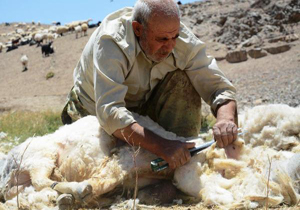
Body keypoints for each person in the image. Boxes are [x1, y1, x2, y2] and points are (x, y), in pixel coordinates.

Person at [61, 0, 238, 171]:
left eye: (174, 37)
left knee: (183, 79)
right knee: (101, 170)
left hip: (143, 113)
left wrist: (226, 120)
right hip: (92, 113)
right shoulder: (112, 41)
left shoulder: (181, 40)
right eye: (162, 39)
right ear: (138, 29)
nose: (169, 46)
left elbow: (219, 87)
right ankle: (166, 159)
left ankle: (183, 158)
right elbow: (110, 112)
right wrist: (162, 146)